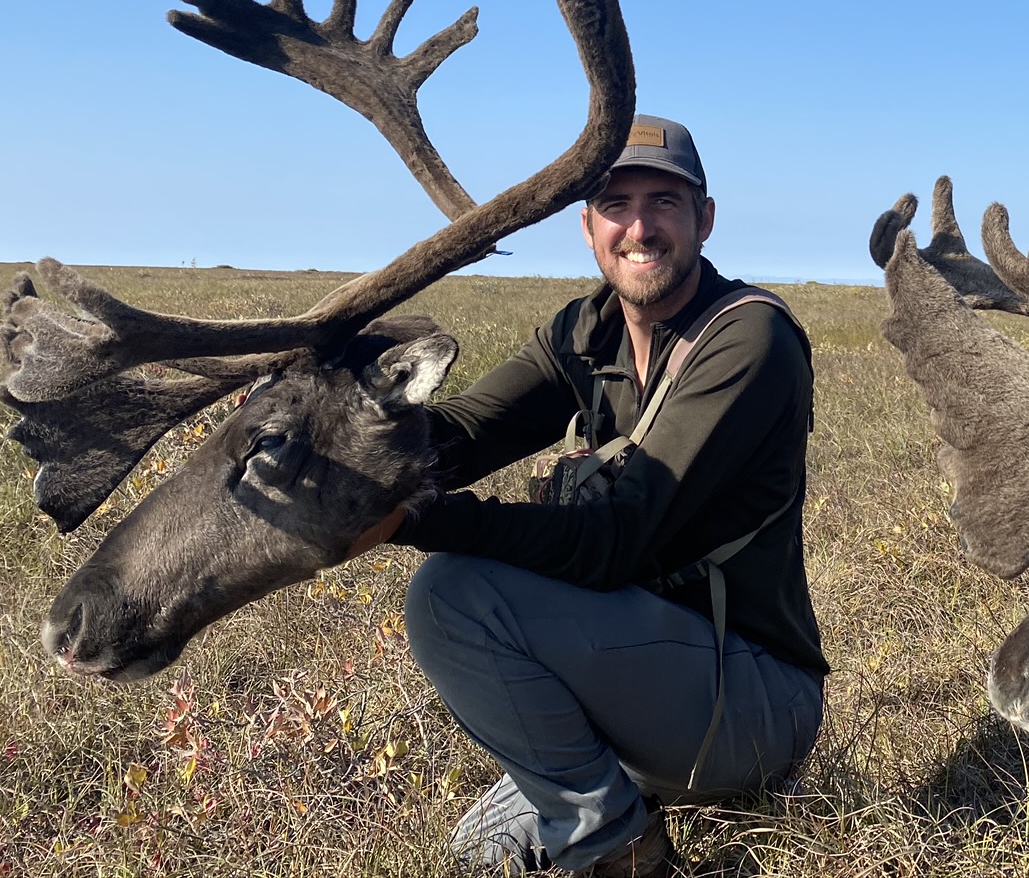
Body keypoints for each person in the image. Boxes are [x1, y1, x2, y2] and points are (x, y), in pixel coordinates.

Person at [353, 115, 825, 876]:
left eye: (665, 203)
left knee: (452, 596)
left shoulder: (749, 340)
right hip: (641, 673)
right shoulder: (585, 328)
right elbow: (468, 432)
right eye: (618, 204)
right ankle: (617, 806)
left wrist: (414, 517)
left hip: (752, 697)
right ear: (587, 227)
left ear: (704, 218)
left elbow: (613, 542)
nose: (640, 227)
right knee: (477, 855)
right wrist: (346, 432)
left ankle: (622, 854)